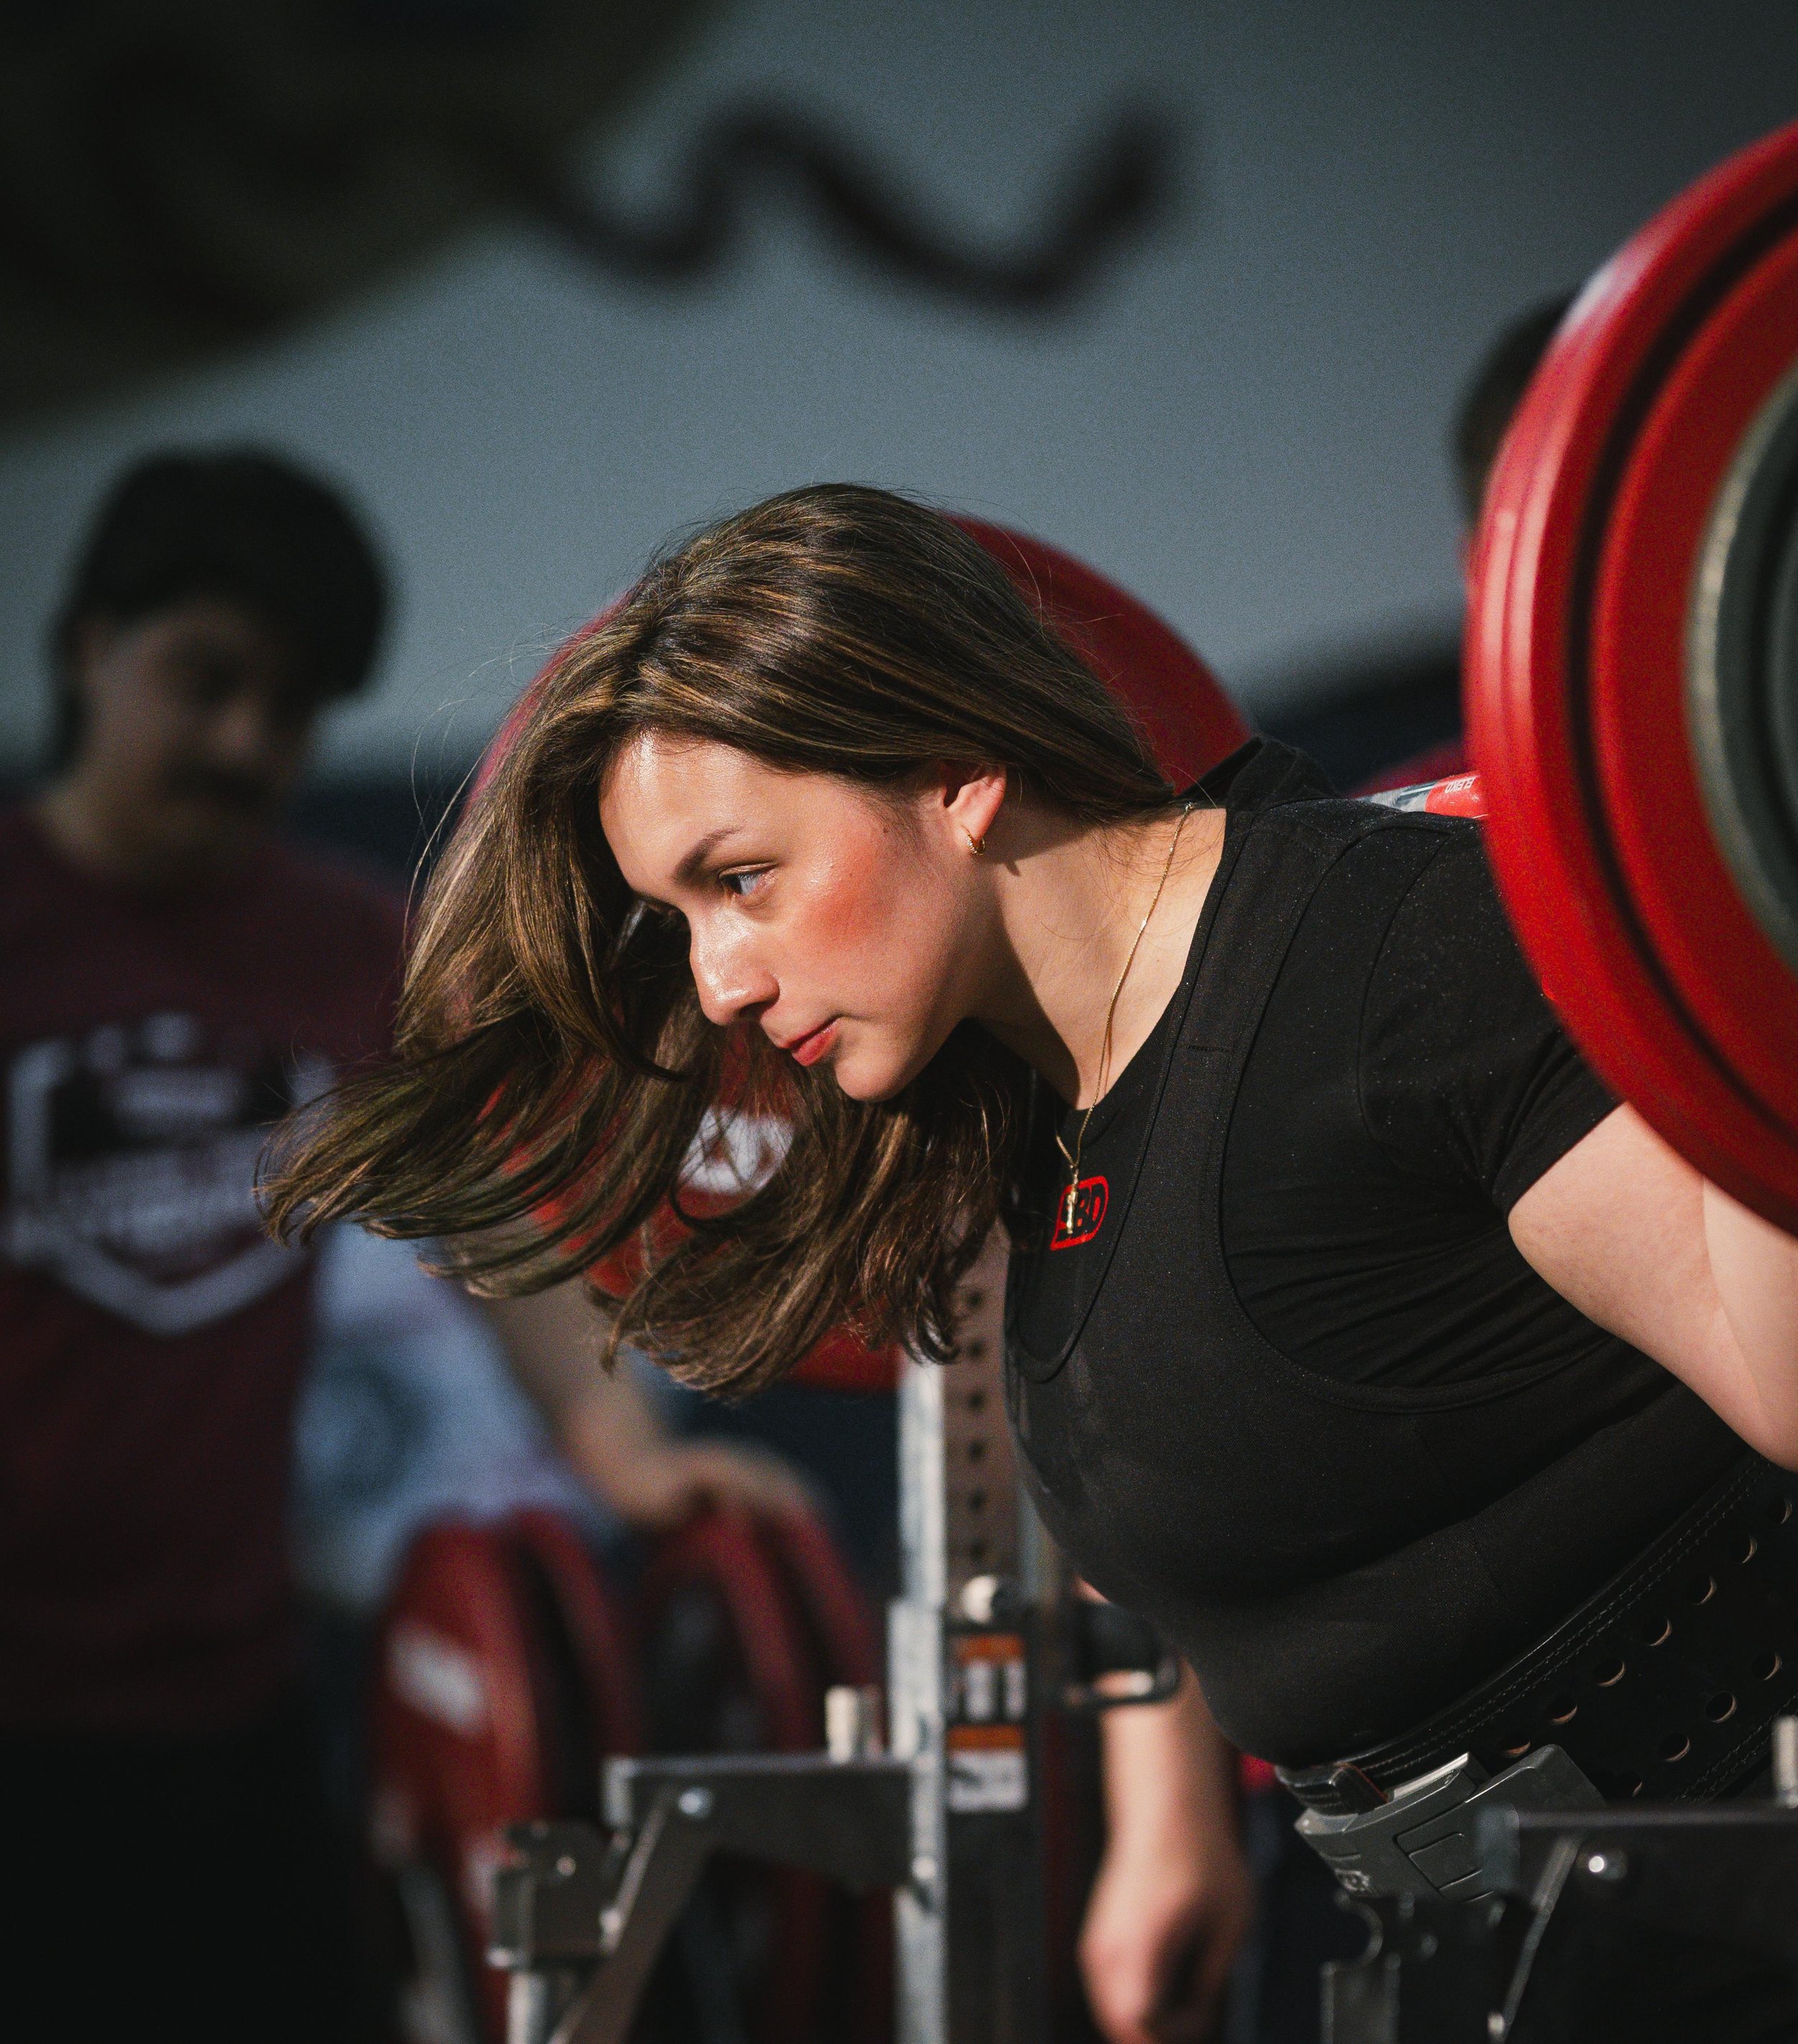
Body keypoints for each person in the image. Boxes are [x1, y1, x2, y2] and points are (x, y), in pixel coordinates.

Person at [267, 484, 1798, 2041]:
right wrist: (1166, 1820)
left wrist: (1740, 927)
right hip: (1469, 1940)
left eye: (739, 881)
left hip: (1719, 1910)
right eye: (677, 922)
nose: (718, 980)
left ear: (956, 769)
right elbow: (1210, 1442)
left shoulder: (1398, 963)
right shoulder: (1024, 1094)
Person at [0, 450, 796, 2044]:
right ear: (91, 648)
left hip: (242, 1705)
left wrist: (622, 1457)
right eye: (203, 680)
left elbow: (495, 1211)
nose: (242, 743)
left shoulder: (354, 945)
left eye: (286, 709)